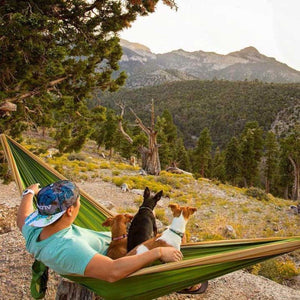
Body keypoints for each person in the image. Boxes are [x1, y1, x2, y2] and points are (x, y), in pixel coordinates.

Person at [17, 180, 183, 282]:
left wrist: (29, 192)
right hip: (122, 256)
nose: (80, 204)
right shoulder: (68, 247)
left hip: (117, 239)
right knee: (169, 238)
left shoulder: (34, 229)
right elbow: (113, 271)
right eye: (78, 201)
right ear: (69, 211)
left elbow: (22, 218)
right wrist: (158, 252)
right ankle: (189, 284)